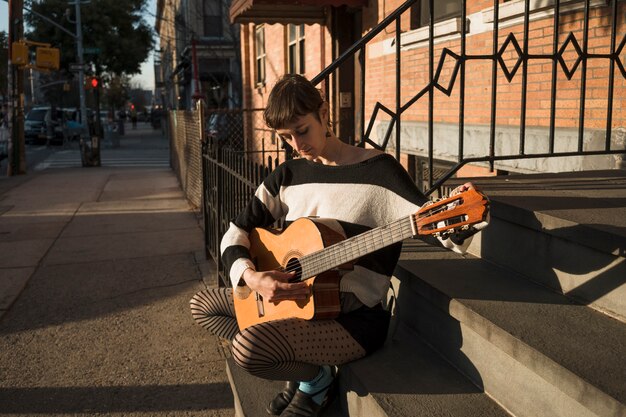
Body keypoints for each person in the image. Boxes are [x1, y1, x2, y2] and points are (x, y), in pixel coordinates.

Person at [190, 74, 489, 417]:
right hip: (295, 306)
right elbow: (236, 231)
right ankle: (298, 365)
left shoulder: (378, 172)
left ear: (324, 112)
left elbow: (436, 227)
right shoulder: (287, 175)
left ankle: (314, 380)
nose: (296, 145)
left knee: (248, 349)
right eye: (285, 137)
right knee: (203, 306)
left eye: (301, 130)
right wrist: (252, 277)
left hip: (351, 321)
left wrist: (458, 218)